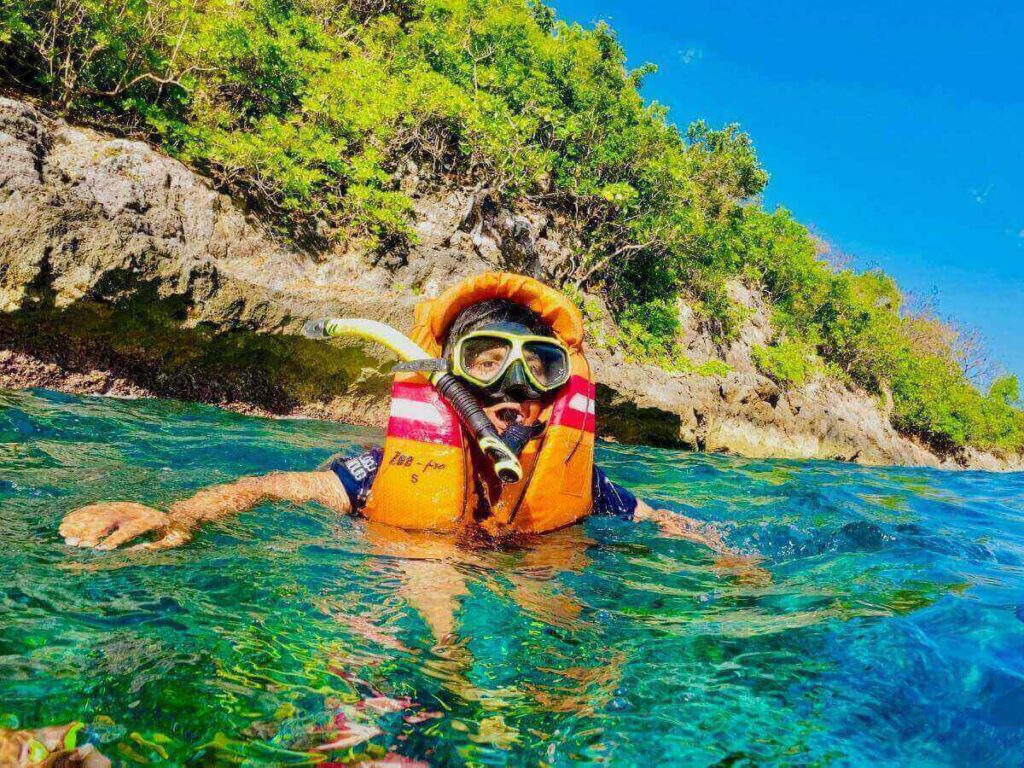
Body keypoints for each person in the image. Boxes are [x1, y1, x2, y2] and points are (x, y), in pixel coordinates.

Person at [59, 273, 730, 554]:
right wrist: (178, 516)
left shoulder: (583, 487)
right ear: (446, 377)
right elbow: (269, 487)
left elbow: (666, 522)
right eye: (486, 362)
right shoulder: (387, 470)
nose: (514, 390)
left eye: (540, 368)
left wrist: (730, 561)